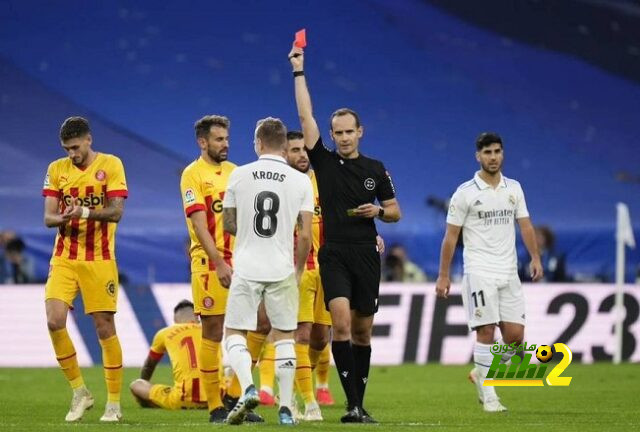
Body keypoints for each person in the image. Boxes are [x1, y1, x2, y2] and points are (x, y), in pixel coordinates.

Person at [289, 44, 402, 423]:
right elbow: (305, 114)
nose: (342, 137)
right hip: (334, 252)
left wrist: (379, 212)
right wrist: (298, 71)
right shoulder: (322, 160)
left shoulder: (376, 167)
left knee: (362, 333)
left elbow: (396, 212)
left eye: (348, 131)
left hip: (366, 253)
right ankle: (352, 404)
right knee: (339, 324)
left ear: (360, 131)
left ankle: (359, 402)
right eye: (337, 132)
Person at [435, 132, 543, 412]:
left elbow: (526, 226)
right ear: (478, 156)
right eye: (487, 153)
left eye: (497, 151)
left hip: (508, 271)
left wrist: (535, 258)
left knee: (516, 338)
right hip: (479, 270)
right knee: (485, 331)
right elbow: (450, 237)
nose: (493, 157)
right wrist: (443, 275)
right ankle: (490, 396)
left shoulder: (514, 188)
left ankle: (480, 373)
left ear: (502, 153)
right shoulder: (465, 193)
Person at [222, 117, 314, 425]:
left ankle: (248, 386)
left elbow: (229, 224)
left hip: (247, 265)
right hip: (282, 267)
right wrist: (299, 269)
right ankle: (286, 409)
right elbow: (305, 235)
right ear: (285, 147)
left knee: (235, 331)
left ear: (258, 143)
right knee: (285, 336)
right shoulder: (301, 181)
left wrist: (248, 230)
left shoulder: (239, 174)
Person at [42, 116, 128, 422]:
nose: (72, 154)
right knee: (54, 321)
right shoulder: (56, 170)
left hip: (100, 258)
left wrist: (85, 211)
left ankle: (114, 405)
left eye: (76, 148)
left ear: (88, 140)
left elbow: (116, 212)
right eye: (67, 149)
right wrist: (66, 216)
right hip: (64, 257)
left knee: (104, 328)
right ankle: (80, 392)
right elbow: (48, 218)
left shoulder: (112, 164)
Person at [179, 115, 238, 423]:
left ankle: (235, 397)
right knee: (213, 331)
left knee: (257, 325)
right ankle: (215, 406)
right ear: (203, 142)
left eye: (226, 138)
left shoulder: (236, 172)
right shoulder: (192, 175)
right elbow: (199, 225)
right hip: (209, 263)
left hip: (241, 262)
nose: (225, 143)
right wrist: (219, 263)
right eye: (218, 139)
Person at [130, 300, 209, 409]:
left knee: (137, 384)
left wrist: (145, 383)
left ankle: (156, 405)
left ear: (175, 320)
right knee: (230, 371)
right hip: (216, 399)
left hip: (180, 400)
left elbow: (149, 366)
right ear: (197, 318)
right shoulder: (210, 330)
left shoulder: (165, 333)